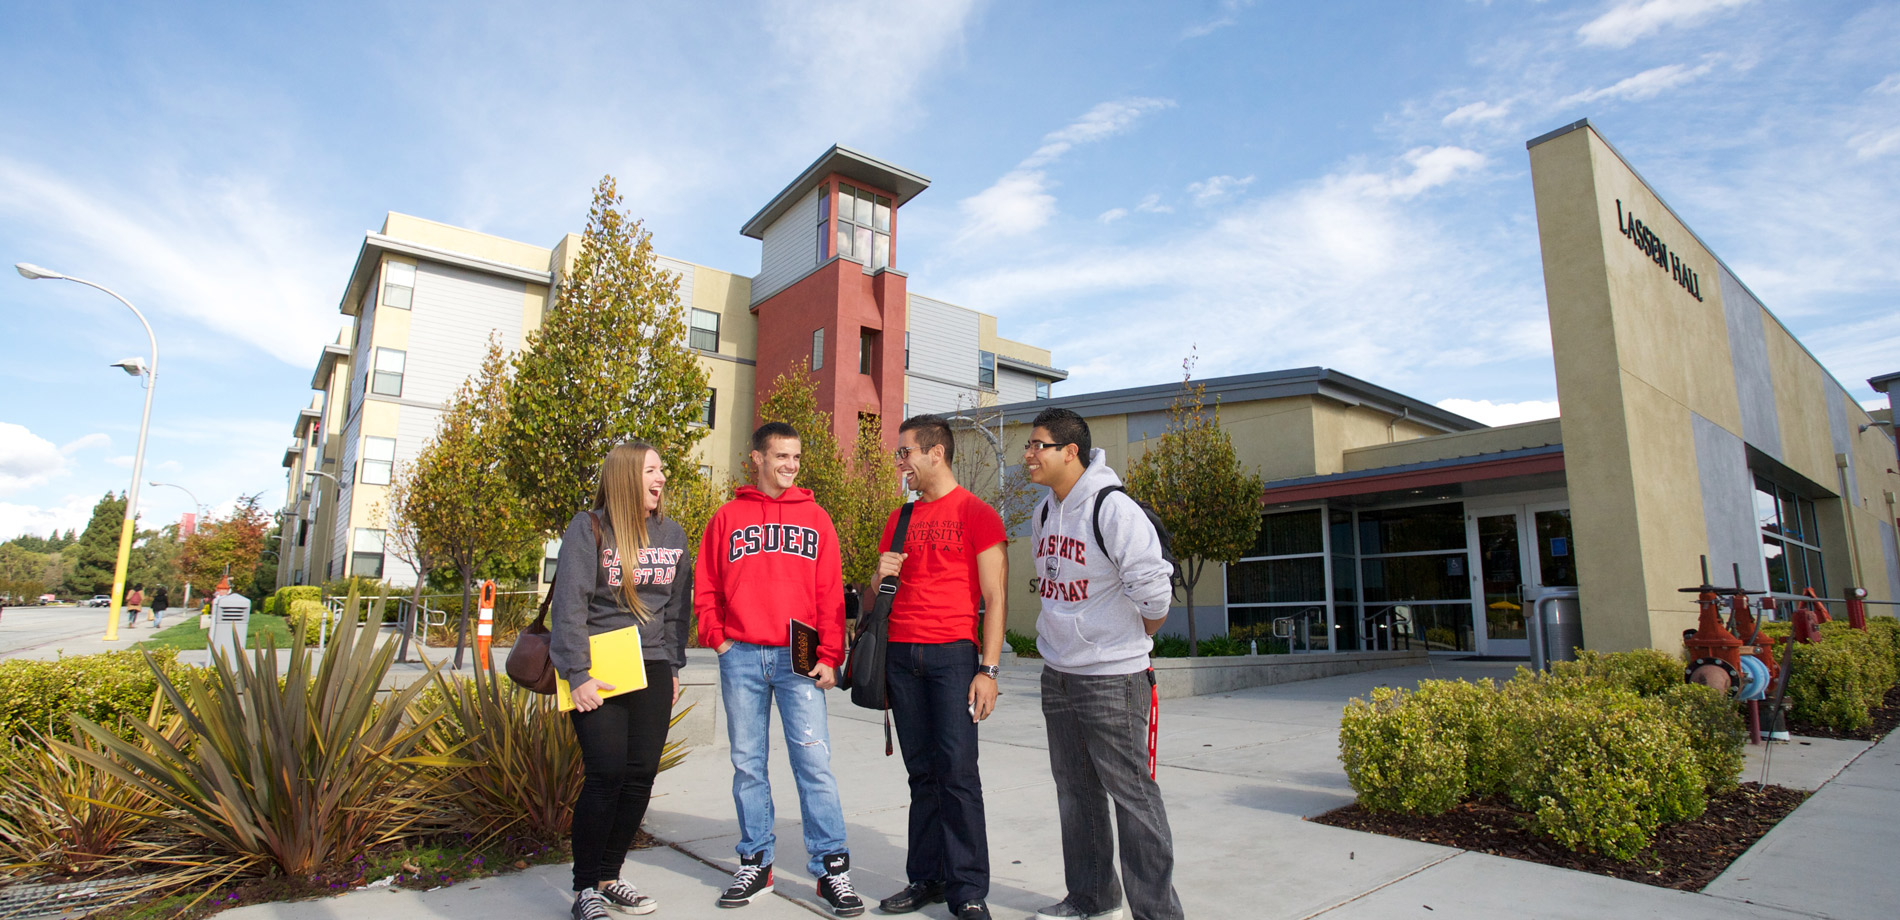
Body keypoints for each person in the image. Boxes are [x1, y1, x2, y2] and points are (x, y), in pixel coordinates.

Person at [1022, 407, 1183, 920]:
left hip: (1114, 678)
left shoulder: (1112, 509)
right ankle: (1091, 897)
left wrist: (1128, 640)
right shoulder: (1044, 511)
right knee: (1075, 793)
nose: (1028, 454)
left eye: (1037, 445)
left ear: (1071, 452)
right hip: (1060, 674)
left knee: (1133, 798)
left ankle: (1157, 913)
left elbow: (1156, 596)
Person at [695, 422, 862, 917]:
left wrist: (831, 656)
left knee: (813, 762)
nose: (790, 465)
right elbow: (706, 586)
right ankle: (756, 862)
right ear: (758, 459)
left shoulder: (816, 519)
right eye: (781, 457)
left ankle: (831, 869)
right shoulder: (727, 517)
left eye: (796, 457)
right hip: (741, 652)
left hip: (800, 654)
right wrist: (718, 639)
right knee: (748, 762)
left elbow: (831, 594)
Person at [550, 442, 693, 920]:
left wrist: (673, 666)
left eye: (662, 470)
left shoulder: (672, 534)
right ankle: (585, 886)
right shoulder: (589, 528)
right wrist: (577, 675)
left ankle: (611, 876)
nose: (662, 478)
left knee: (639, 778)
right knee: (606, 774)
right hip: (599, 665)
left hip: (651, 665)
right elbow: (569, 604)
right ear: (627, 476)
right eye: (652, 469)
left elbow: (676, 611)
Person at [873, 414, 1008, 920]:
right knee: (921, 774)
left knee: (957, 774)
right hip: (902, 657)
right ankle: (926, 878)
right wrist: (877, 575)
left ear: (936, 453)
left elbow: (995, 598)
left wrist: (987, 670)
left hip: (954, 656)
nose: (900, 462)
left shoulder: (978, 514)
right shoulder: (899, 519)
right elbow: (881, 596)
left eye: (905, 451)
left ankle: (968, 890)